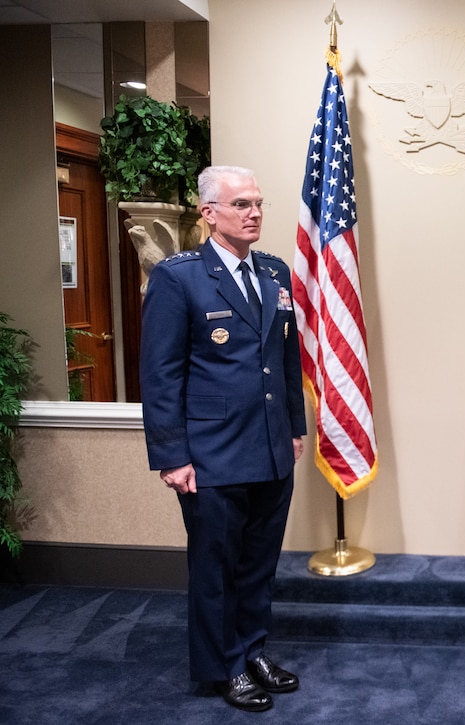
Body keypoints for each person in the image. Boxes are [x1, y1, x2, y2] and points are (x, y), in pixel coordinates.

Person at [140, 166, 307, 713]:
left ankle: (253, 651)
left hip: (269, 446)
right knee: (215, 568)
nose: (254, 212)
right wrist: (172, 456)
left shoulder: (275, 272)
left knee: (259, 562)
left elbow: (285, 358)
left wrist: (295, 427)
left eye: (258, 203)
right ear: (209, 213)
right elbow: (161, 375)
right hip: (209, 454)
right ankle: (224, 668)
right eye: (241, 204)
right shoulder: (178, 277)